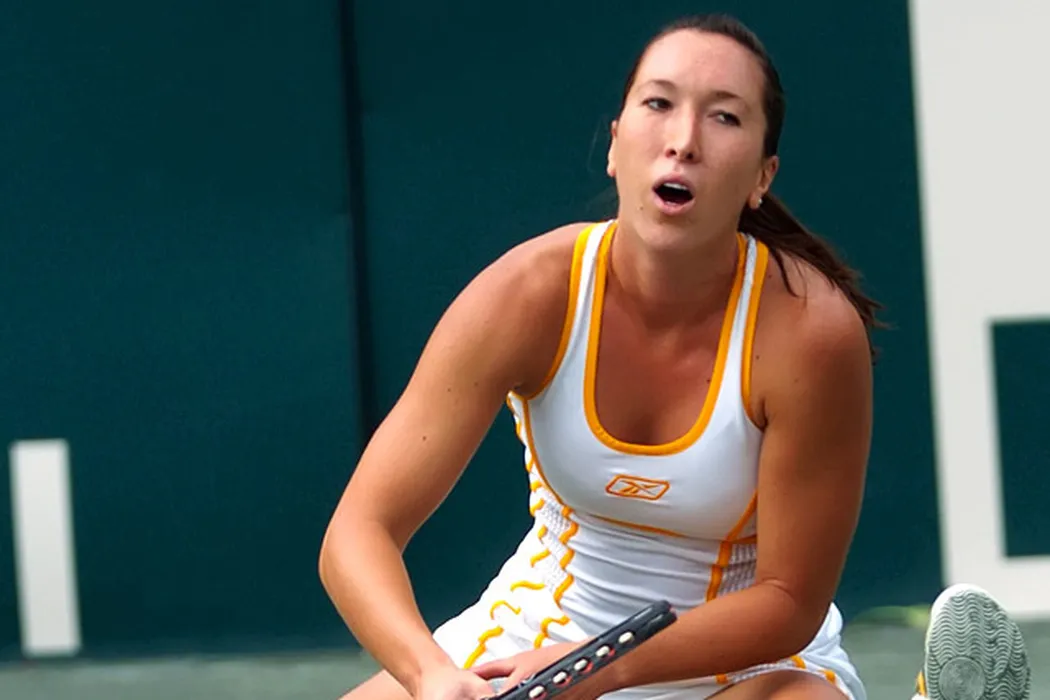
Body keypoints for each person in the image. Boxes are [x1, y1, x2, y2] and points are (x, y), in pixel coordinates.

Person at [318, 13, 1031, 700]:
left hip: (743, 664)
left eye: (724, 117)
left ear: (762, 177)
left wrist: (604, 670)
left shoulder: (810, 333)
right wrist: (429, 674)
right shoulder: (528, 294)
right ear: (616, 143)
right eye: (659, 104)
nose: (684, 140)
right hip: (534, 638)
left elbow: (788, 599)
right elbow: (358, 532)